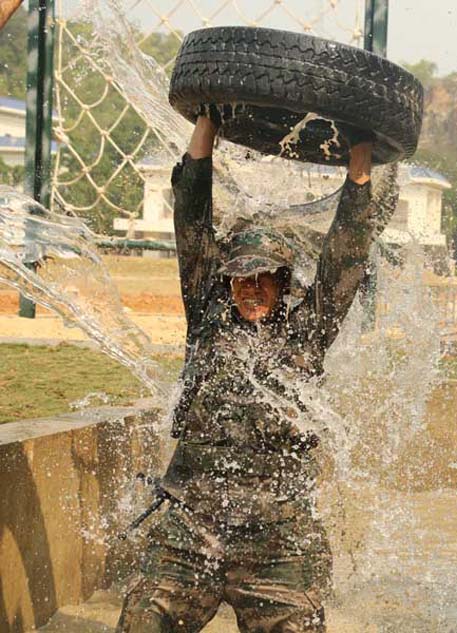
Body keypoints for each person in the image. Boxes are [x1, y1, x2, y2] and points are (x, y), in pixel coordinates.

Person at [116, 113, 397, 633]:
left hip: (278, 541)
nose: (250, 288)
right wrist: (205, 130)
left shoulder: (308, 334)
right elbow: (192, 228)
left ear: (283, 282)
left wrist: (359, 174)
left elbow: (344, 259)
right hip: (191, 526)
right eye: (240, 277)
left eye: (263, 277)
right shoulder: (207, 319)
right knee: (141, 622)